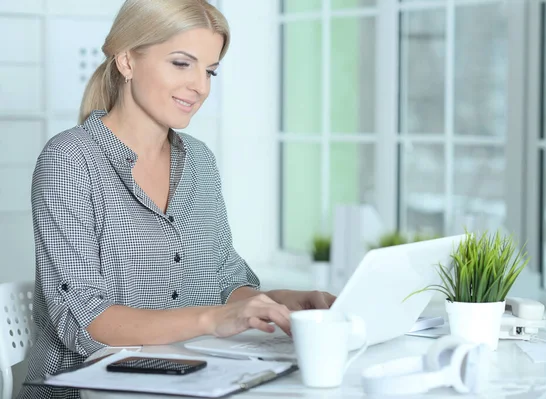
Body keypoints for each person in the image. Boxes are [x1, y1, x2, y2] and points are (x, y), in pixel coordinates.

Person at [18, 1, 335, 398]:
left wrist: (280, 302)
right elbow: (85, 319)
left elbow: (223, 280)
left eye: (210, 70)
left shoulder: (199, 160)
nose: (200, 87)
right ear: (127, 61)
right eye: (182, 64)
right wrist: (213, 319)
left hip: (193, 381)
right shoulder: (70, 160)